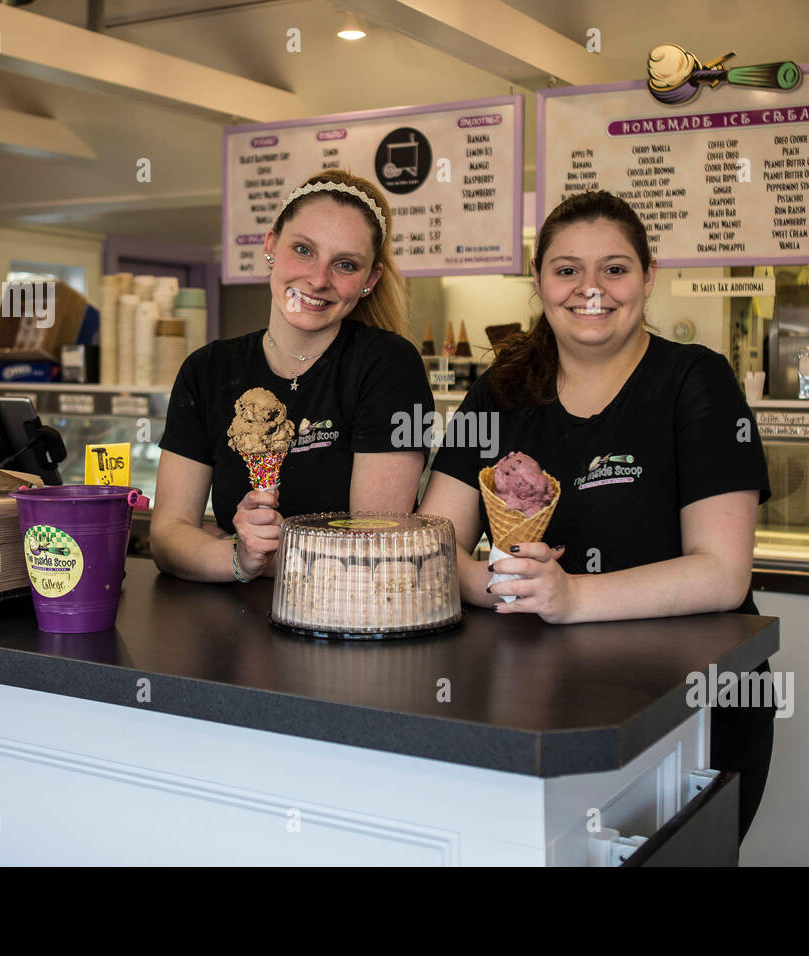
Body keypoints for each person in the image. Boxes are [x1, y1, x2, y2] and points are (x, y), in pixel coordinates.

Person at [421, 190, 774, 843]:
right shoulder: (500, 391)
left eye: (614, 268)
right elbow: (433, 543)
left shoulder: (696, 381)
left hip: (689, 707)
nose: (591, 289)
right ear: (538, 280)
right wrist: (511, 586)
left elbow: (723, 573)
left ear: (648, 276)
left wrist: (571, 596)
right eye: (567, 270)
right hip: (534, 706)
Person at [153, 169, 433, 584]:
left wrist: (243, 553)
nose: (318, 280)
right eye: (303, 250)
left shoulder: (389, 366)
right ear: (270, 245)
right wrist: (239, 557)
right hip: (234, 619)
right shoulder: (207, 369)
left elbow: (374, 547)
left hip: (346, 616)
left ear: (370, 280)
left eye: (345, 264)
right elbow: (167, 537)